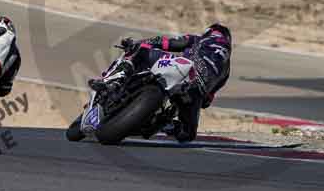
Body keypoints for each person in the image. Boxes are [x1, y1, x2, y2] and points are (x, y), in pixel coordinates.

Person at [89, 23, 232, 142]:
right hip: (195, 91)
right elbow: (207, 101)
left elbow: (167, 43)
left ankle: (115, 79)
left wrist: (139, 43)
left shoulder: (198, 39)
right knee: (188, 134)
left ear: (208, 32)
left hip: (180, 65)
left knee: (141, 50)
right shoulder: (226, 71)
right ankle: (165, 124)